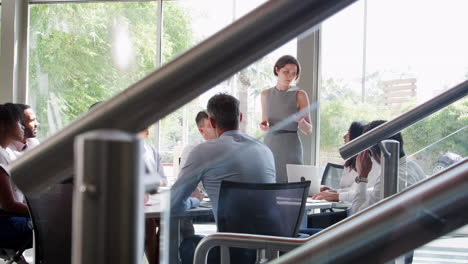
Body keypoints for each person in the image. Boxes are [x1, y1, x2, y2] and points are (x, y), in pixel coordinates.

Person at [171, 93, 276, 264]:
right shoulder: (265, 150)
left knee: (186, 244)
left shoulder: (203, 150)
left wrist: (195, 201)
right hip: (266, 252)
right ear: (240, 117)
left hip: (228, 253)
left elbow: (173, 204)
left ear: (211, 122)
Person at [260, 55, 312, 183]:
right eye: (286, 72)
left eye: (294, 74)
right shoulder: (265, 94)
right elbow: (264, 121)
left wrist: (301, 121)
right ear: (277, 70)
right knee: (269, 183)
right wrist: (263, 126)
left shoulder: (300, 94)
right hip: (270, 144)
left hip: (290, 147)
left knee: (291, 185)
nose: (290, 76)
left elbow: (308, 130)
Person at [351, 120, 407, 214]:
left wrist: (362, 177)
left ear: (377, 153)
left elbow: (357, 216)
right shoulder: (414, 167)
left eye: (369, 152)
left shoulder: (389, 180)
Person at [314, 121, 372, 203]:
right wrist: (334, 191)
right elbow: (353, 189)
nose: (344, 137)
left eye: (348, 133)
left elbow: (360, 192)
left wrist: (337, 195)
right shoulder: (350, 162)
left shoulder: (367, 163)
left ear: (355, 137)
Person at [0, 104, 32, 244]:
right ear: (2, 125)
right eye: (19, 123)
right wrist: (40, 213)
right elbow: (9, 205)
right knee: (54, 226)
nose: (23, 127)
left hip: (9, 217)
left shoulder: (5, 153)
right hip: (4, 221)